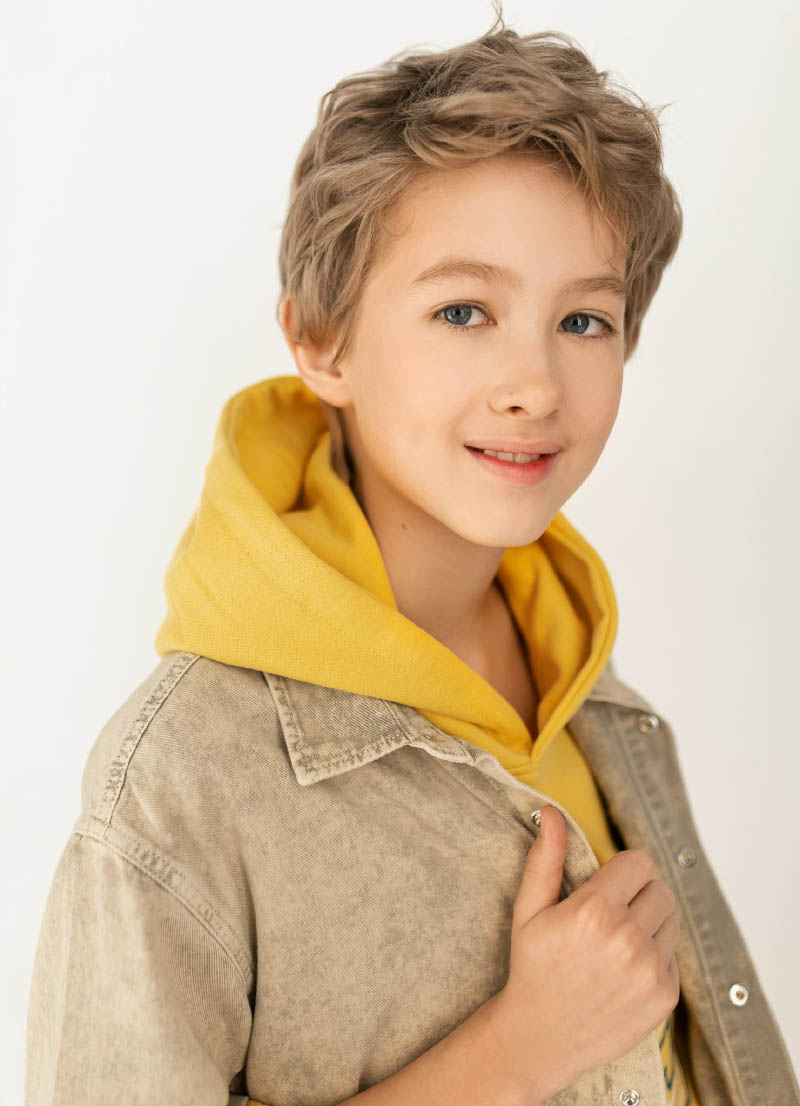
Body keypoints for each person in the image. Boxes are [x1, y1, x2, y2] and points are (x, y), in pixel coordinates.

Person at [24, 6, 799, 1106]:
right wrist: (517, 1051)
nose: (533, 383)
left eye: (584, 321)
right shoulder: (181, 780)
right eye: (464, 310)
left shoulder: (592, 694)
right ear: (321, 341)